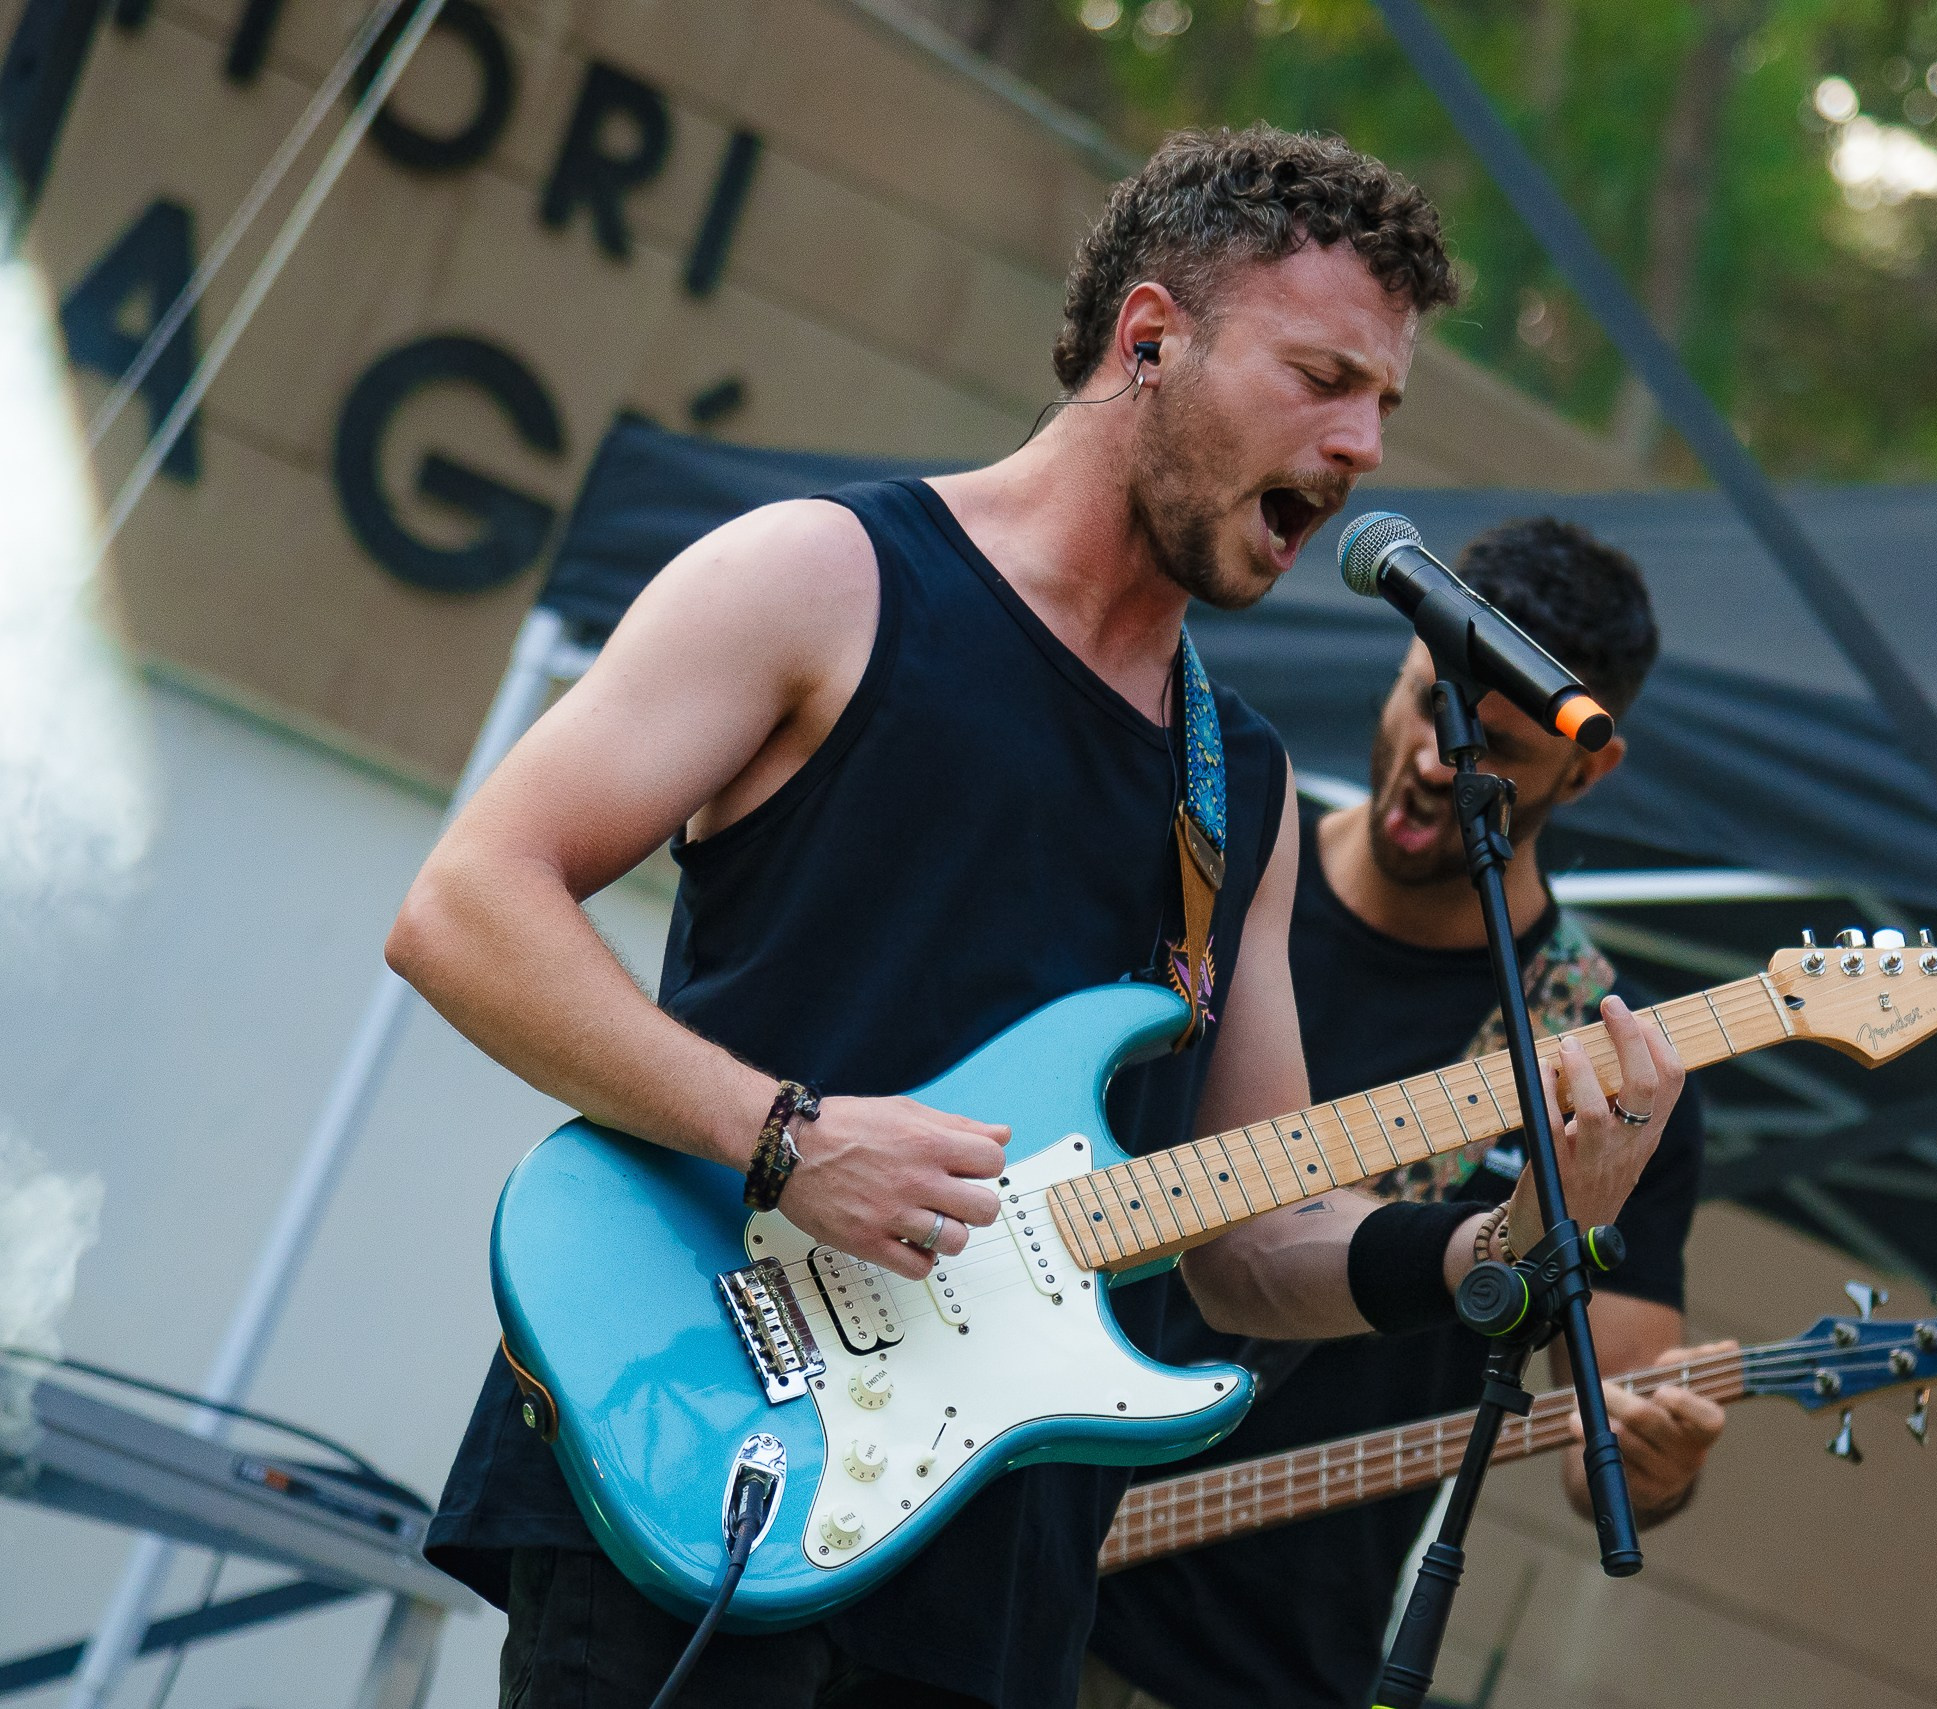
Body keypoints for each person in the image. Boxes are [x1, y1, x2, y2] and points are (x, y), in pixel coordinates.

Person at [385, 127, 1688, 1709]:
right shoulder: (831, 578)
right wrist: (786, 1133)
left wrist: (1514, 1235)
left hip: (990, 1604)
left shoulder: (1241, 788)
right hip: (711, 1467)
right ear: (1150, 341)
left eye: (1384, 407)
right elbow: (466, 904)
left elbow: (1250, 1244)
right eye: (1320, 378)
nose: (1360, 450)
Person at [1081, 518, 1728, 1709]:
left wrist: (1661, 1459)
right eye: (1431, 703)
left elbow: (1620, 1425)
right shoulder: (1205, 876)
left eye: (1498, 746)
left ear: (1591, 766)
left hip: (1254, 1664)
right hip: (989, 1544)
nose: (1441, 756)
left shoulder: (1603, 1064)